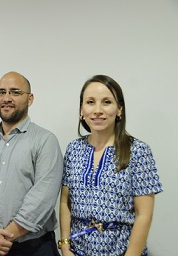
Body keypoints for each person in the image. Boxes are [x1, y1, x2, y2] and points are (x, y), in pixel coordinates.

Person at [0, 71, 63, 256]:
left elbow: (42, 200)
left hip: (34, 248)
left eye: (15, 92)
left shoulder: (45, 141)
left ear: (30, 99)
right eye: (1, 92)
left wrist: (1, 240)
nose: (6, 98)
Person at [59, 75, 163, 256]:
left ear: (119, 110)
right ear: (81, 110)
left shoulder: (137, 151)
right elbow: (65, 202)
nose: (97, 110)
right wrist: (65, 246)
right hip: (77, 251)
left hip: (121, 251)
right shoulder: (73, 149)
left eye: (106, 102)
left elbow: (143, 214)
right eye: (90, 102)